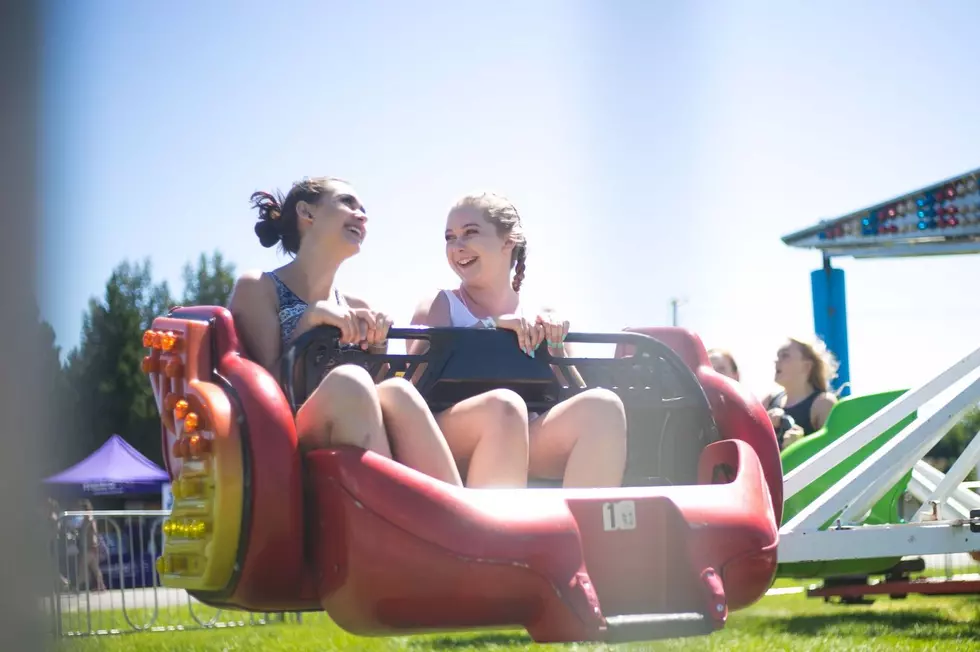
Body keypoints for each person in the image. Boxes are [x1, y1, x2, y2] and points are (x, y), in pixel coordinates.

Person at [227, 176, 463, 487]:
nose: (362, 215)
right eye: (347, 202)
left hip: (350, 423)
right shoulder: (259, 287)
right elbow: (267, 391)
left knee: (398, 392)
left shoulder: (355, 304)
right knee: (349, 382)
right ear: (307, 213)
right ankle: (396, 523)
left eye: (363, 208)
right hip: (287, 435)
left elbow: (375, 396)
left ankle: (453, 522)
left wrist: (376, 345)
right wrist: (308, 321)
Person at [411, 191, 628, 488]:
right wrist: (491, 327)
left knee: (603, 406)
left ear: (507, 241)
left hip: (526, 431)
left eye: (470, 233)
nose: (457, 246)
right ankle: (497, 531)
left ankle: (581, 530)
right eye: (450, 237)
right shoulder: (439, 304)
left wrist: (554, 347)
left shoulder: (542, 313)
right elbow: (415, 388)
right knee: (504, 407)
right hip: (448, 436)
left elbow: (571, 391)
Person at [762, 336, 839, 442]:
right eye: (778, 356)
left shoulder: (823, 403)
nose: (776, 361)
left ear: (807, 366)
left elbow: (837, 450)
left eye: (785, 355)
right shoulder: (769, 401)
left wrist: (800, 446)